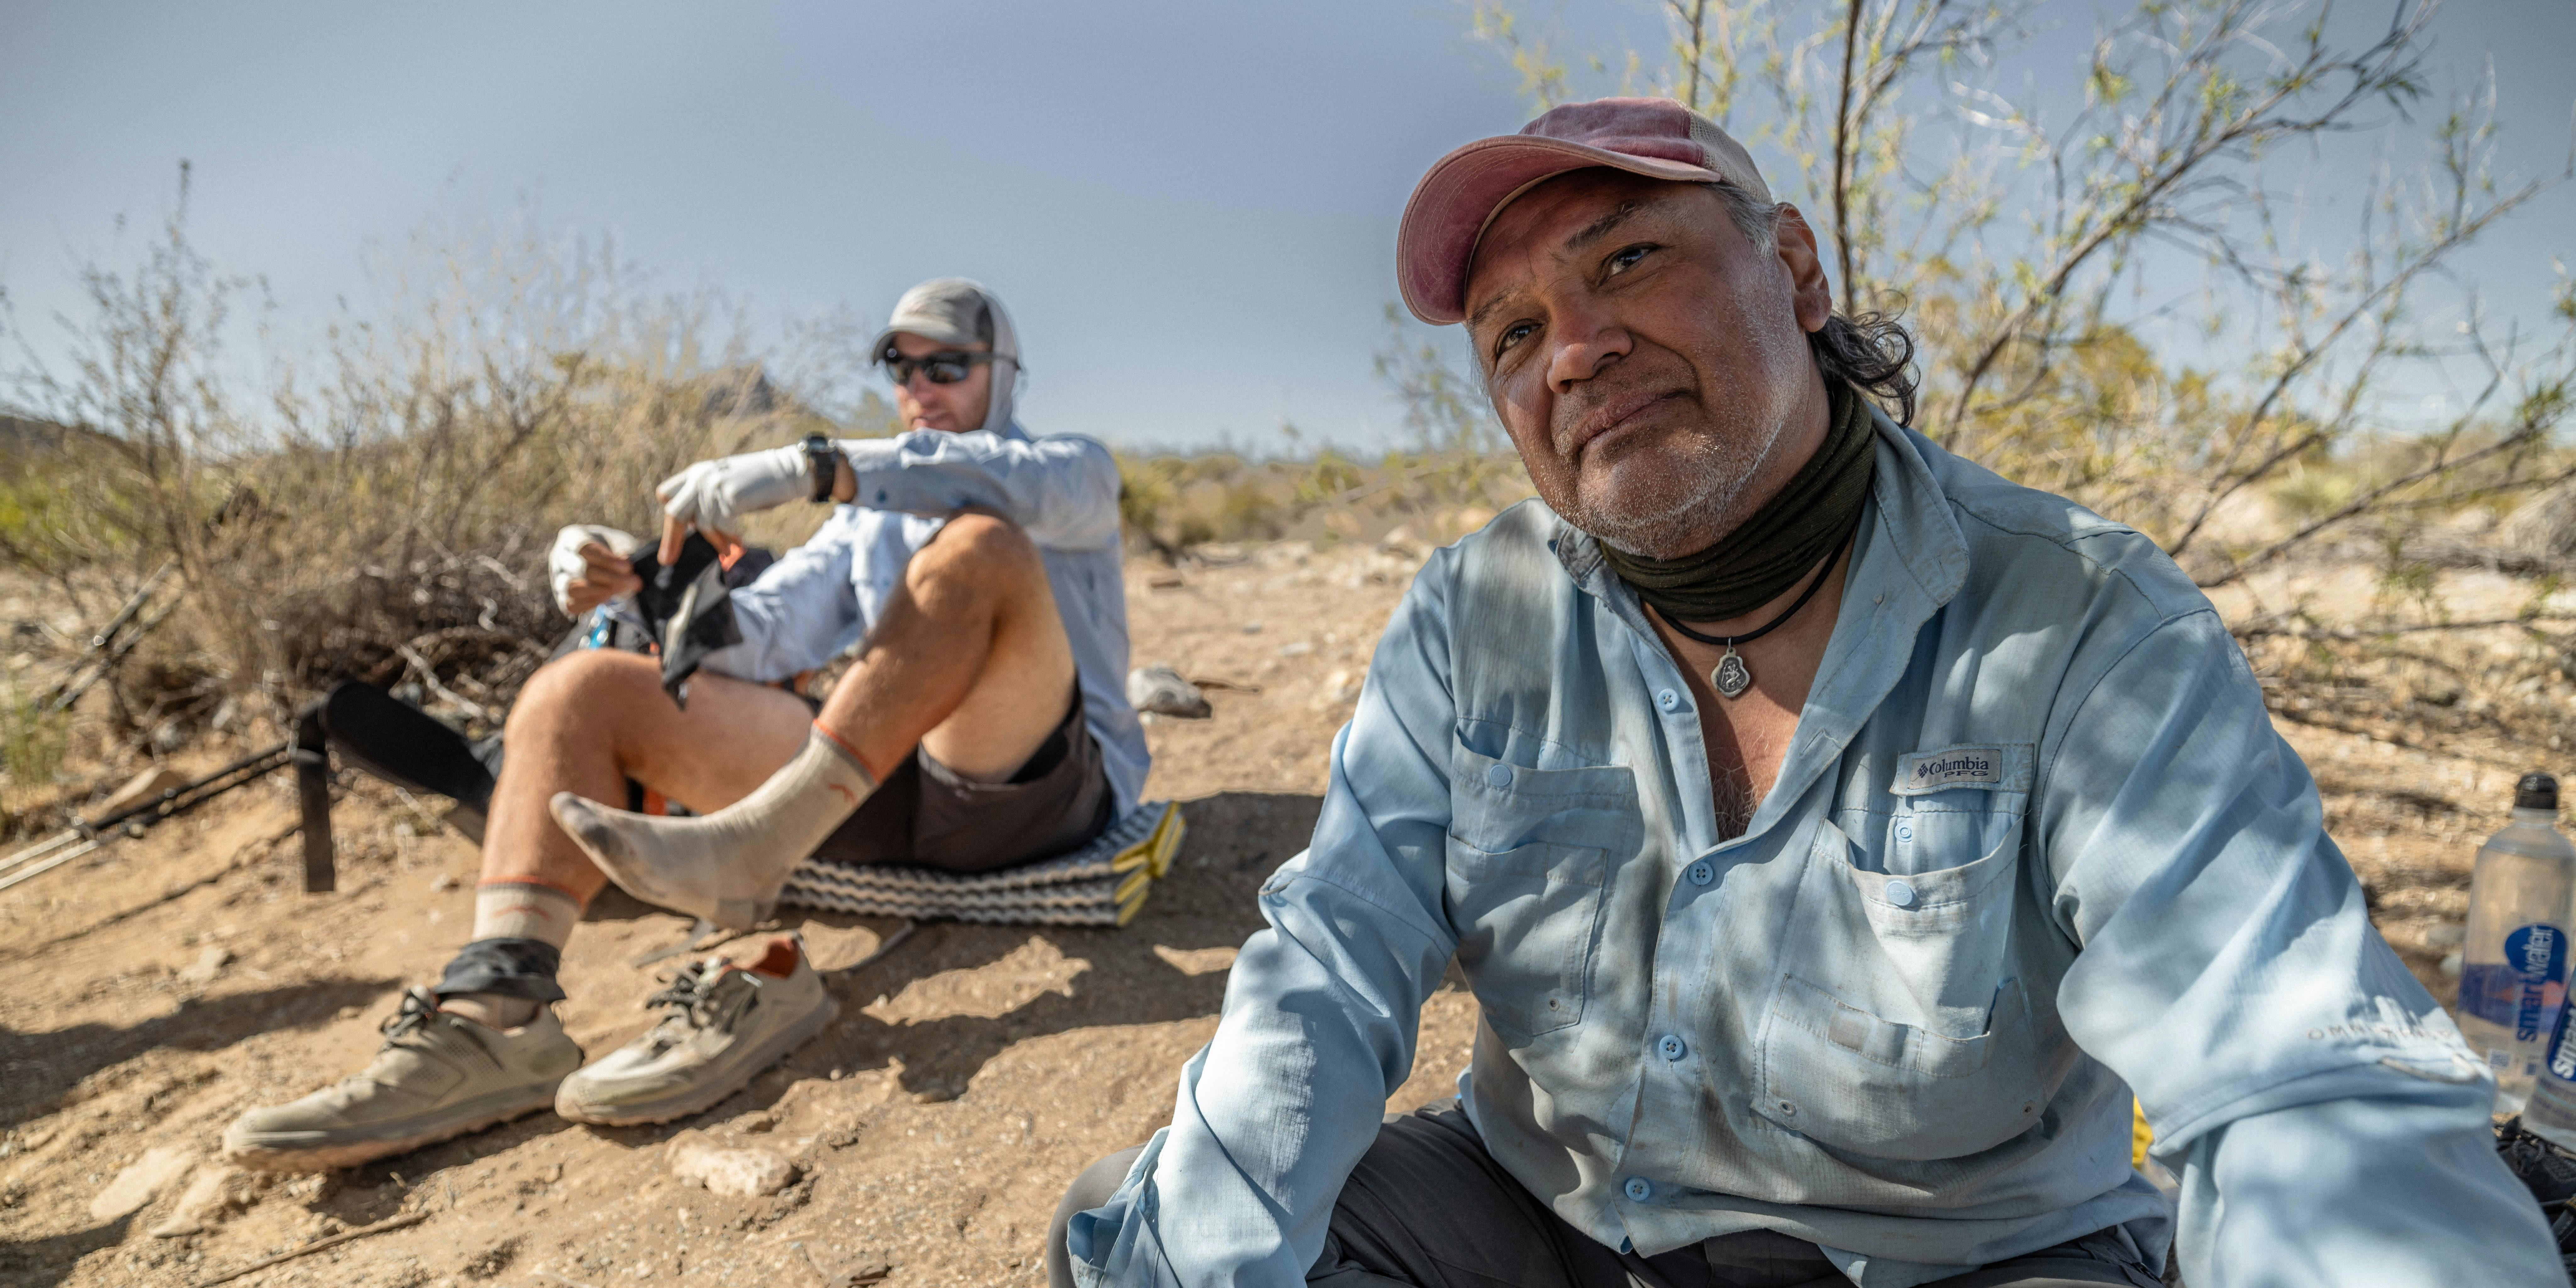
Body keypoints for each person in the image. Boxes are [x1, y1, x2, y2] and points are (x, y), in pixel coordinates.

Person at [1048, 99, 2561, 1288]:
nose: (1573, 349)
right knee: (1137, 1226)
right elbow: (1327, 965)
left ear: (1789, 266)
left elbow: (2292, 1064)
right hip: (1540, 1224)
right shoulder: (1472, 617)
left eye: (1624, 259)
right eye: (1511, 333)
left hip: (1963, 1258)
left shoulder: (2081, 617)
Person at [223, 278, 1146, 1170]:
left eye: (949, 366)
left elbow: (1000, 486)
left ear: (1005, 372)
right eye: (899, 366)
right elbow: (763, 632)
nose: (919, 388)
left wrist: (814, 466)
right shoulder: (864, 529)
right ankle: (495, 1021)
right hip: (884, 791)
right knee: (580, 688)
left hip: (1033, 792)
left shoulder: (1072, 475)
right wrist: (640, 585)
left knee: (979, 544)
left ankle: (756, 853)